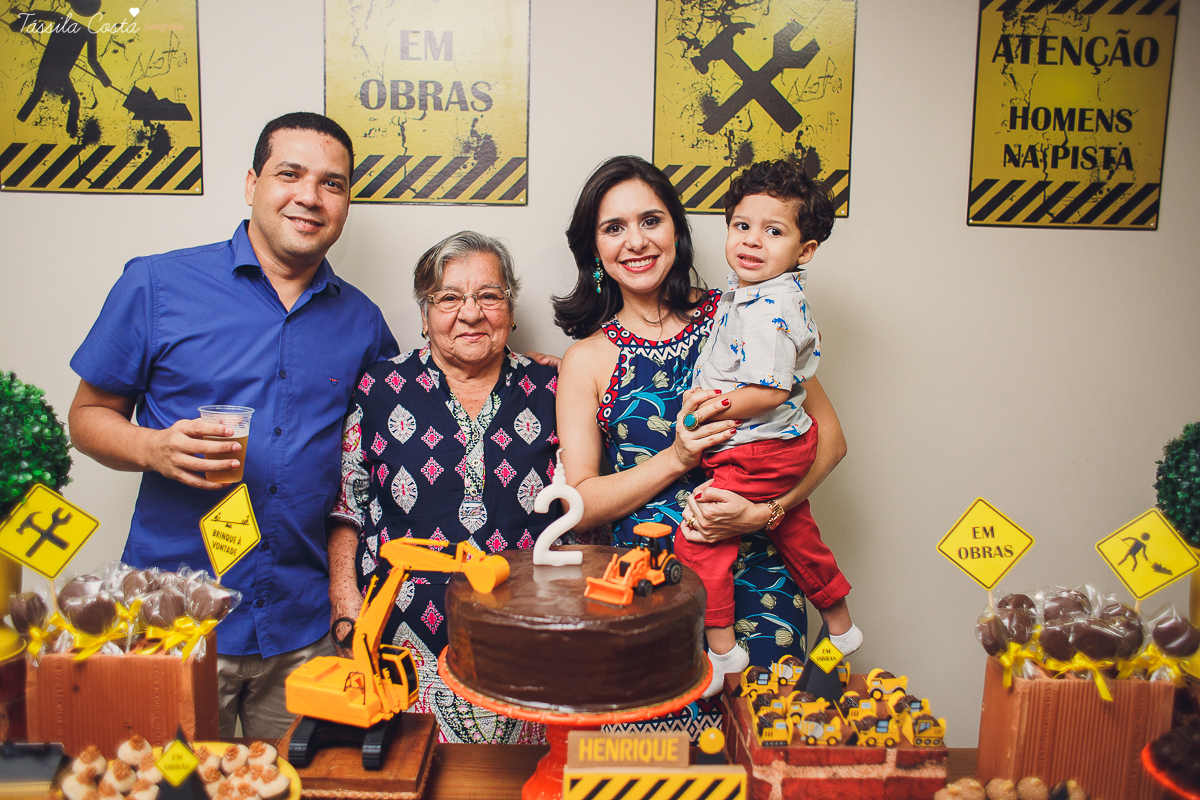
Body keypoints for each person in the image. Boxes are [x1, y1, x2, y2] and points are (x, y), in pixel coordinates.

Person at [68, 112, 399, 738]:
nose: (310, 196)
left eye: (333, 183)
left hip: (302, 627)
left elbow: (410, 409)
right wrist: (152, 446)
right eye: (290, 174)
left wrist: (522, 365)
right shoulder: (157, 283)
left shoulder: (362, 320)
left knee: (294, 786)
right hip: (176, 619)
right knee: (166, 783)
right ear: (252, 183)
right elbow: (86, 418)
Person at [554, 157, 847, 719]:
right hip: (646, 594)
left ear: (677, 230)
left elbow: (828, 442)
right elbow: (582, 501)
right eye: (613, 228)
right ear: (594, 248)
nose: (635, 241)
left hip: (757, 581)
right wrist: (676, 457)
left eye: (650, 220)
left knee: (764, 754)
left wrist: (764, 513)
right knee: (661, 772)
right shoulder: (586, 359)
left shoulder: (745, 309)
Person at [327, 231, 557, 745]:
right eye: (449, 298)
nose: (470, 314)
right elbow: (348, 506)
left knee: (517, 782)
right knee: (413, 775)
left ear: (511, 308)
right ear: (425, 314)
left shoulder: (553, 391)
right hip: (403, 639)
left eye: (489, 295)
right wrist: (346, 607)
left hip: (527, 638)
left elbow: (586, 517)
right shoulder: (380, 389)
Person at [679, 160, 861, 696]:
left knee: (699, 540)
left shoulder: (768, 309)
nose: (752, 241)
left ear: (805, 251)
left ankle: (723, 654)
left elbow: (772, 390)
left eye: (774, 231)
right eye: (741, 225)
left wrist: (709, 409)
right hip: (780, 445)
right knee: (796, 528)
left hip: (759, 449)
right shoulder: (754, 294)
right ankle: (841, 625)